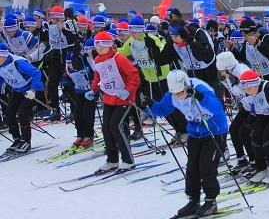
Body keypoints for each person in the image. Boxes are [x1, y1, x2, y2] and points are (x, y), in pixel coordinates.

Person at [144, 70, 227, 218]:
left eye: (181, 92)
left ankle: (211, 201)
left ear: (186, 86)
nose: (179, 96)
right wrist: (150, 105)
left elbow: (217, 107)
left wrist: (201, 98)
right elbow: (161, 109)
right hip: (195, 133)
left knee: (206, 167)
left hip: (214, 131)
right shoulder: (172, 95)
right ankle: (193, 201)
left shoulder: (200, 88)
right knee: (192, 169)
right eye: (175, 93)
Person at [84, 31, 140, 173]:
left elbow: (134, 75)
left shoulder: (118, 58)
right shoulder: (97, 60)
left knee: (115, 126)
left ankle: (128, 160)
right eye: (97, 45)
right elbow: (98, 77)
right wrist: (93, 90)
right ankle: (112, 160)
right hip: (109, 98)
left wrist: (128, 90)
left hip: (124, 99)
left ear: (110, 45)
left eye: (103, 45)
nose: (99, 48)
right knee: (106, 128)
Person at [0, 43, 44, 153]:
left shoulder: (18, 63)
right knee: (9, 113)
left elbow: (36, 73)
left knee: (22, 113)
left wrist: (33, 89)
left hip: (32, 90)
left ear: (3, 56)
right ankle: (17, 139)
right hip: (18, 90)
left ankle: (26, 141)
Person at [65, 39, 97, 149]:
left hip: (90, 91)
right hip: (79, 91)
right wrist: (66, 84)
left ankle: (89, 135)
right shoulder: (69, 66)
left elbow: (95, 72)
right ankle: (80, 135)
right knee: (77, 113)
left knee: (87, 113)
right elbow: (68, 77)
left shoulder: (86, 61)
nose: (71, 66)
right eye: (69, 63)